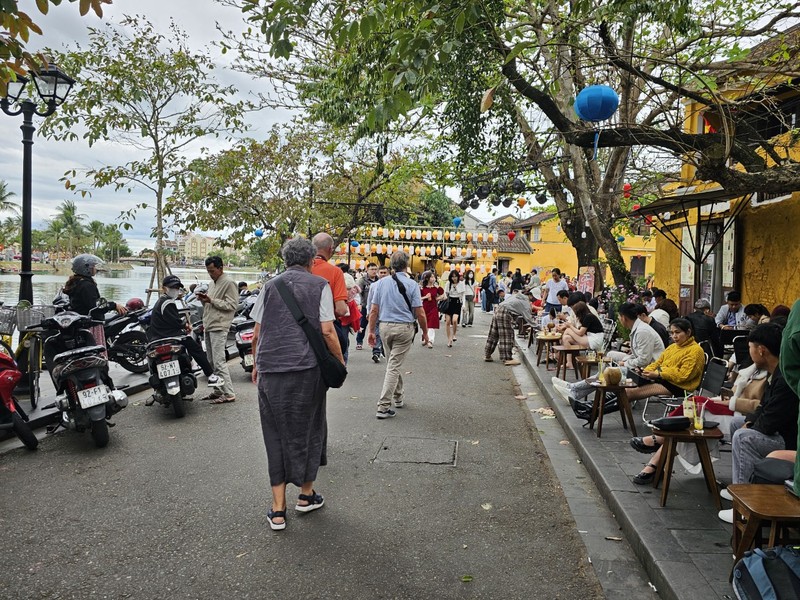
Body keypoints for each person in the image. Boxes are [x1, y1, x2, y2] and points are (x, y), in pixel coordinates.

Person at [252, 237, 344, 531]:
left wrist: (257, 364)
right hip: (306, 370)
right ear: (310, 260)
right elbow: (328, 331)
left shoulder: (269, 286)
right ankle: (305, 495)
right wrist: (339, 362)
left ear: (285, 259)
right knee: (310, 427)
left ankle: (278, 510)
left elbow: (257, 331)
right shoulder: (319, 286)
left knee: (274, 432)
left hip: (270, 369)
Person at [620, 319, 723, 484]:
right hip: (665, 381)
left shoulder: (695, 350)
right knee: (627, 391)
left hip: (681, 387)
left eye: (678, 333)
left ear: (688, 332)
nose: (674, 336)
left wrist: (659, 374)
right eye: (672, 333)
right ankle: (592, 410)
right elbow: (658, 363)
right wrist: (648, 371)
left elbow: (683, 375)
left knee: (628, 393)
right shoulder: (672, 347)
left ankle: (593, 411)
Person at [717, 323, 799, 522]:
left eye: (751, 347)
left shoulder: (785, 379)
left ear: (761, 350)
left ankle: (745, 506)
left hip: (786, 439)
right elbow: (763, 407)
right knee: (738, 424)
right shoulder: (775, 372)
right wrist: (751, 422)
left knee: (744, 437)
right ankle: (739, 487)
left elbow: (773, 420)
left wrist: (753, 426)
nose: (749, 351)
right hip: (776, 429)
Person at [366, 251, 428, 419]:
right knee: (394, 365)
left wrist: (371, 331)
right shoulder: (412, 284)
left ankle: (398, 396)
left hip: (384, 327)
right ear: (406, 265)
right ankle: (383, 406)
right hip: (404, 328)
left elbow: (373, 310)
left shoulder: (380, 284)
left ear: (391, 265)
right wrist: (425, 332)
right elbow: (420, 312)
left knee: (393, 362)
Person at [146, 275, 223, 395]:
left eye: (177, 287)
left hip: (156, 337)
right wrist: (186, 325)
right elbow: (175, 321)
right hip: (170, 336)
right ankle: (211, 375)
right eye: (172, 287)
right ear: (164, 288)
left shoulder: (161, 301)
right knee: (195, 348)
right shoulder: (167, 303)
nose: (175, 290)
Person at [63, 253, 127, 354]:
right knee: (97, 354)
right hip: (91, 324)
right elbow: (96, 306)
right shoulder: (86, 285)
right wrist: (113, 305)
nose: (95, 269)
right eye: (93, 266)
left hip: (81, 322)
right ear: (86, 268)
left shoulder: (77, 282)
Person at [197, 256, 239, 404]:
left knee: (219, 361)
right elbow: (211, 303)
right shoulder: (212, 283)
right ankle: (217, 390)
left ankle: (229, 393)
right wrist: (204, 300)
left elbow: (232, 305)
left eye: (212, 271)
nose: (210, 274)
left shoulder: (229, 282)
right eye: (208, 271)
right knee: (211, 361)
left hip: (219, 326)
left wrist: (211, 300)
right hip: (209, 324)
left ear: (221, 268)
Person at [311, 233, 349, 362]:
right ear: (330, 249)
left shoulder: (301, 270)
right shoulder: (335, 272)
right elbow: (341, 310)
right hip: (326, 328)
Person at [484, 285, 537, 366]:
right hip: (505, 313)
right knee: (507, 335)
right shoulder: (525, 302)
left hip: (498, 309)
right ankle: (507, 358)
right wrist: (540, 328)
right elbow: (529, 319)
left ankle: (487, 354)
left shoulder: (517, 296)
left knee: (494, 333)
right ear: (531, 296)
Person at [604, 302, 665, 367]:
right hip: (642, 362)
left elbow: (644, 360)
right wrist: (625, 360)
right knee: (610, 354)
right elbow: (637, 354)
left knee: (617, 363)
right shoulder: (638, 328)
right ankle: (601, 374)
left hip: (651, 368)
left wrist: (625, 363)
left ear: (623, 318)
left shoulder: (642, 331)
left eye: (619, 316)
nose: (618, 318)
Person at [355, 263, 379, 350]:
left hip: (376, 306)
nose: (374, 271)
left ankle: (377, 344)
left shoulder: (379, 280)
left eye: (375, 269)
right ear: (367, 270)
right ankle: (359, 341)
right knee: (363, 325)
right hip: (365, 306)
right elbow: (357, 292)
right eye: (372, 269)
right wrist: (360, 304)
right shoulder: (362, 280)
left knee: (377, 326)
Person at [419, 270, 443, 349]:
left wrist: (438, 298)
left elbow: (444, 295)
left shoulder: (436, 288)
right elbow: (418, 298)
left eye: (434, 277)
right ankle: (425, 338)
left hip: (433, 308)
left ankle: (430, 341)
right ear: (427, 278)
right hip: (424, 307)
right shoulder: (422, 288)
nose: (433, 279)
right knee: (424, 324)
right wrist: (425, 297)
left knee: (431, 324)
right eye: (432, 277)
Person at [443, 269, 465, 347]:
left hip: (457, 302)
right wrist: (445, 297)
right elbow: (445, 293)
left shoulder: (461, 284)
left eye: (455, 277)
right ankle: (449, 339)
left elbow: (462, 294)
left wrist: (464, 305)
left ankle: (454, 334)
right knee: (448, 321)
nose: (454, 278)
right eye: (453, 277)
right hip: (449, 302)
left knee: (455, 320)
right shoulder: (448, 283)